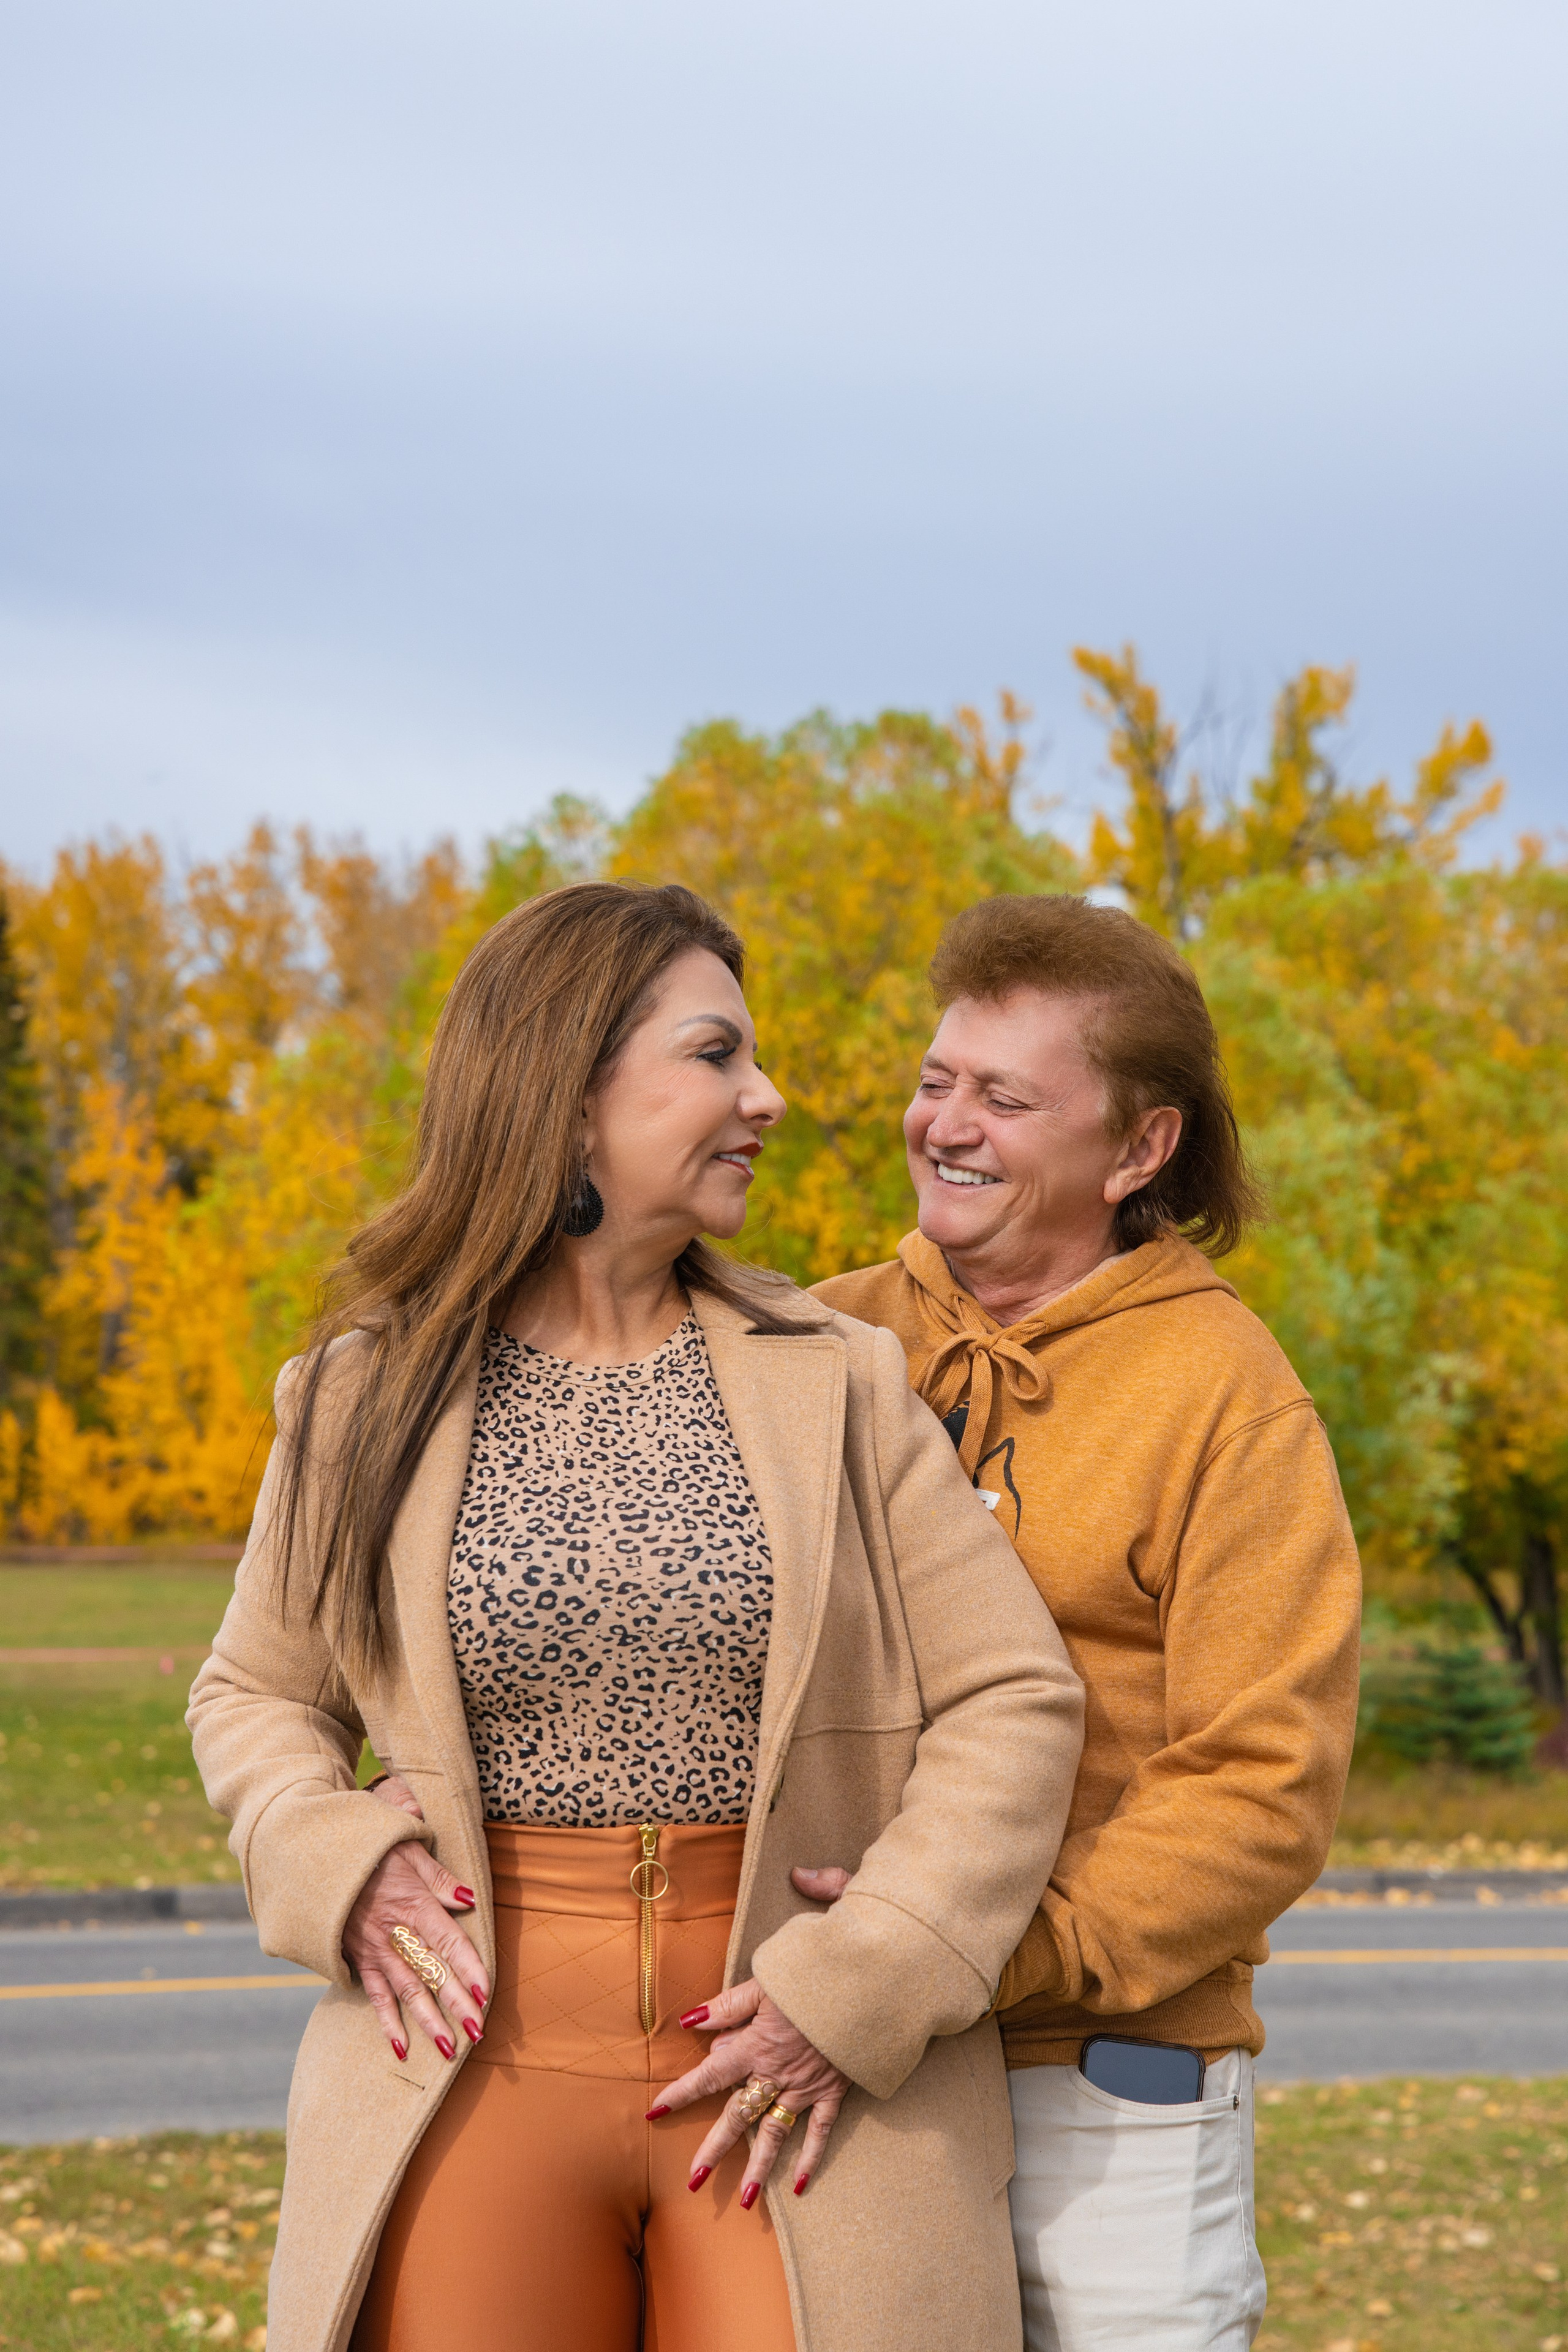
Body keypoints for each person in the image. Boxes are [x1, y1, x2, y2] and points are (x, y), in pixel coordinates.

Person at [188, 881, 1084, 2352]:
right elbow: (253, 1694)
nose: (767, 1099)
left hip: (798, 2072)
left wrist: (874, 1968)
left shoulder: (840, 1381)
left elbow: (1012, 1699)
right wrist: (336, 1861)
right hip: (469, 2058)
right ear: (567, 1083)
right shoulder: (361, 1393)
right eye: (715, 1055)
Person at [813, 892, 1362, 2352]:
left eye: (1004, 1095)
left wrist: (986, 1955)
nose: (947, 1123)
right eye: (937, 1081)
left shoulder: (1227, 1396)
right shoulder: (816, 1340)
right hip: (844, 2066)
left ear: (1137, 1147)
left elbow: (1262, 1784)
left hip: (1102, 2085)